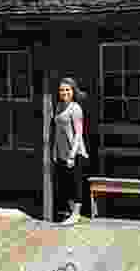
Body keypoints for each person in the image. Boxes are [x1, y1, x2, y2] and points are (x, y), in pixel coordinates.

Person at [52, 77, 89, 225]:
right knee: (66, 183)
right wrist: (54, 150)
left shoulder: (76, 109)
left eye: (67, 89)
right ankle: (71, 211)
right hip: (61, 152)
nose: (64, 92)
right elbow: (57, 131)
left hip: (75, 153)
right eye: (62, 90)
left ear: (73, 91)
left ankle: (77, 214)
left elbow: (79, 134)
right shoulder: (59, 106)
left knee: (76, 183)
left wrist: (72, 155)